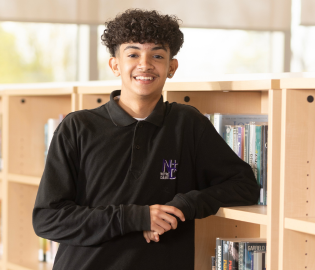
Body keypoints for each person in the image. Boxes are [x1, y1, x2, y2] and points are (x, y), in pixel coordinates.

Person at [32, 8, 259, 270]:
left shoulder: (187, 124)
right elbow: (48, 219)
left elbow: (244, 185)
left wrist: (182, 206)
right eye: (133, 54)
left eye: (158, 55)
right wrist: (137, 218)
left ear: (171, 67)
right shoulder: (77, 127)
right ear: (115, 64)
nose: (145, 64)